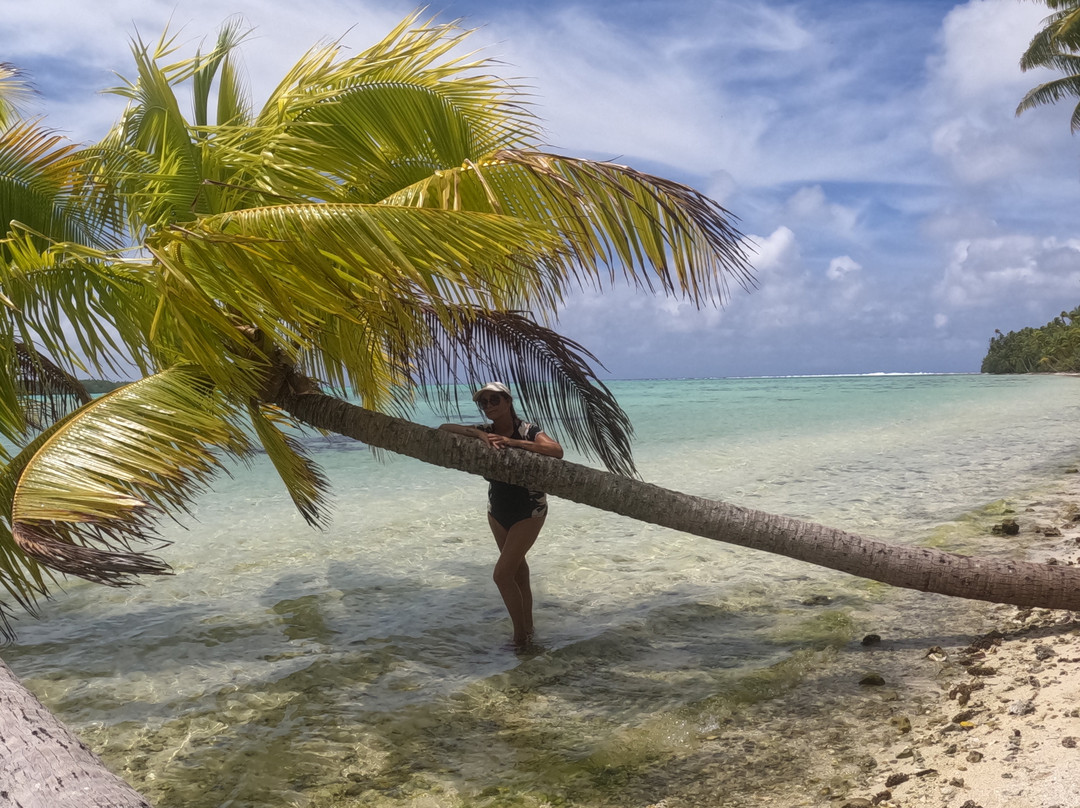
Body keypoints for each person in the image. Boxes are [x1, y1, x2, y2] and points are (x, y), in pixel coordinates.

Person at [439, 382, 563, 647]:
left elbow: (556, 450)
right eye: (483, 403)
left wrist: (512, 442)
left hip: (529, 508)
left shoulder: (528, 430)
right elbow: (443, 429)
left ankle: (520, 638)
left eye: (494, 400)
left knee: (501, 575)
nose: (488, 406)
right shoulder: (486, 431)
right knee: (517, 572)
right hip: (497, 510)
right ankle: (528, 630)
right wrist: (478, 435)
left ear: (508, 401)